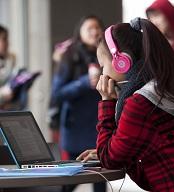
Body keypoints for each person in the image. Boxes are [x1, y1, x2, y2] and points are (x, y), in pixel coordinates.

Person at [77, 18, 174, 191]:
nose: (102, 74)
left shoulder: (141, 102)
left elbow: (109, 159)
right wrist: (121, 148)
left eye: (103, 65)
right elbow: (147, 165)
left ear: (122, 61)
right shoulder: (168, 86)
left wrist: (107, 101)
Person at [50, 15, 106, 192]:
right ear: (79, 33)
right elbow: (58, 93)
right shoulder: (70, 56)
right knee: (68, 182)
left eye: (97, 28)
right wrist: (83, 83)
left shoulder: (107, 55)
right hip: (75, 130)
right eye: (89, 28)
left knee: (101, 179)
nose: (94, 32)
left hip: (99, 128)